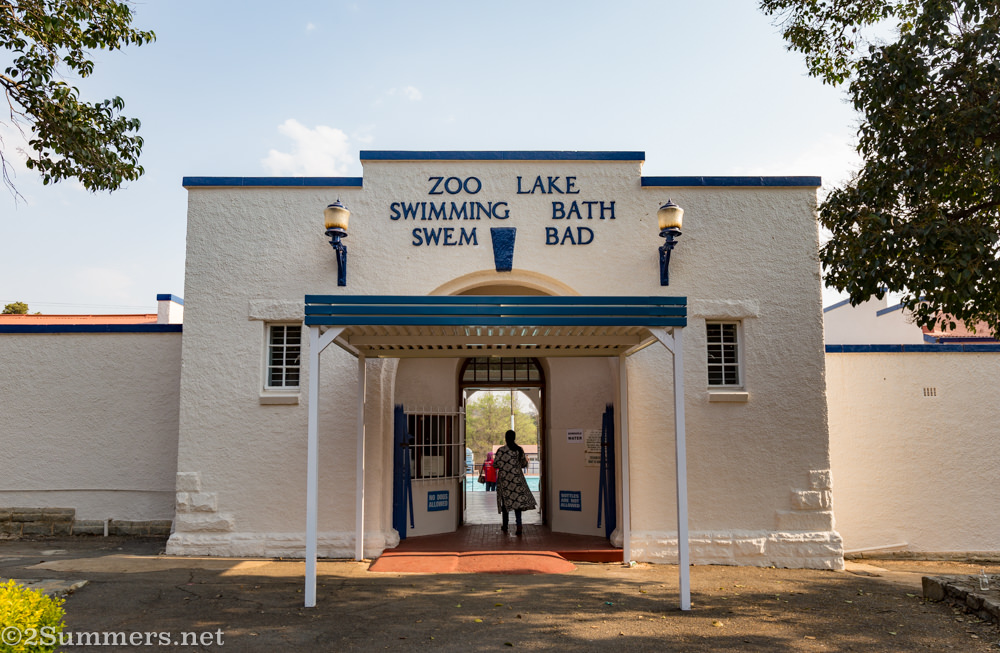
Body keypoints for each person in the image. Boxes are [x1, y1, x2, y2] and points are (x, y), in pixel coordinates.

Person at [494, 429, 536, 535]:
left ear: (505, 438)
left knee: (505, 503)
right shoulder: (518, 450)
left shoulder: (501, 450)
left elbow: (495, 464)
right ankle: (519, 526)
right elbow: (523, 464)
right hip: (517, 480)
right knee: (518, 504)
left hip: (505, 481)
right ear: (514, 438)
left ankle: (505, 525)